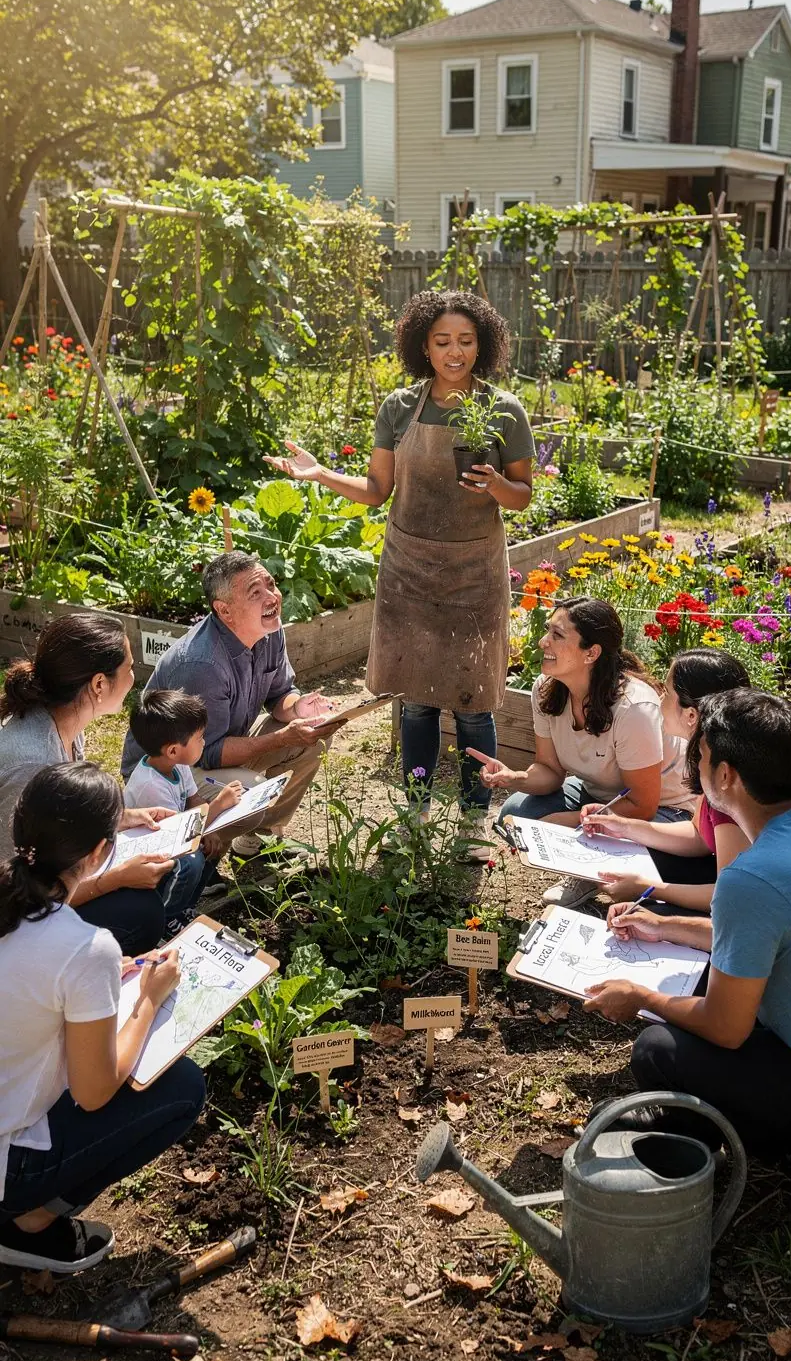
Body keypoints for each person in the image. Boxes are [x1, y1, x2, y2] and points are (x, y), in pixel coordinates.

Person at [265, 289, 535, 859]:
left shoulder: (505, 409)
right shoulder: (398, 407)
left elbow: (523, 497)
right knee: (413, 701)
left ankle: (472, 822)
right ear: (424, 347)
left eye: (465, 341)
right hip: (409, 570)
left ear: (481, 345)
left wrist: (496, 486)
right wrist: (319, 475)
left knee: (475, 700)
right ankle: (414, 813)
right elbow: (376, 491)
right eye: (442, 342)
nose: (454, 351)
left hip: (473, 572)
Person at [587, 688, 791, 1190]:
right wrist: (663, 925)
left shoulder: (750, 878)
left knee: (657, 1049)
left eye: (702, 757)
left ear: (726, 775)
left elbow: (726, 1027)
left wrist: (642, 996)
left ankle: (705, 1149)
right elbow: (767, 933)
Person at [0, 762, 205, 1272]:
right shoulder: (82, 947)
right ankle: (29, 1221)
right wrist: (148, 1000)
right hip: (10, 1165)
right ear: (98, 855)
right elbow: (94, 1092)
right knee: (182, 1087)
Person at [121, 552, 339, 858]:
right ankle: (197, 855)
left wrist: (300, 708)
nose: (272, 597)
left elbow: (280, 696)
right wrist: (280, 739)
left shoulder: (268, 631)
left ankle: (259, 841)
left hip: (214, 748)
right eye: (255, 593)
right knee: (251, 795)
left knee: (314, 740)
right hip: (172, 770)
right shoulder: (202, 663)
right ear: (225, 611)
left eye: (271, 584)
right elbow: (206, 754)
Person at [481, 598, 696, 906]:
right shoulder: (546, 689)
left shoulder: (634, 709)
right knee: (517, 815)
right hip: (602, 795)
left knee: (567, 828)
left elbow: (642, 805)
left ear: (591, 653)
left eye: (557, 635)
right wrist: (513, 777)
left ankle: (590, 876)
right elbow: (550, 772)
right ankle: (593, 863)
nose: (543, 642)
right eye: (547, 632)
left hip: (667, 809)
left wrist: (570, 822)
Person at [0, 614, 193, 955]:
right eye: (130, 668)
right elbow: (14, 888)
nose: (134, 679)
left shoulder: (63, 722)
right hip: (12, 916)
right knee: (141, 913)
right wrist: (115, 879)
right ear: (99, 684)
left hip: (37, 882)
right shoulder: (33, 765)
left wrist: (123, 816)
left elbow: (61, 820)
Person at [586, 648, 791, 910]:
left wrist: (647, 889)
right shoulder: (728, 752)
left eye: (668, 692)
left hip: (769, 906)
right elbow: (699, 835)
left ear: (691, 715)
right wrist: (622, 827)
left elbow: (732, 896)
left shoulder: (732, 784)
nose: (660, 699)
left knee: (645, 911)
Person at [125, 689, 246, 903]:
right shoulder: (151, 785)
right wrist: (218, 804)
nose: (204, 742)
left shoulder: (178, 765)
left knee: (210, 846)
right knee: (192, 859)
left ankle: (189, 903)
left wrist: (209, 829)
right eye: (199, 738)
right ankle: (170, 912)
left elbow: (194, 799)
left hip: (175, 834)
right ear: (173, 750)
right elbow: (178, 835)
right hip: (152, 851)